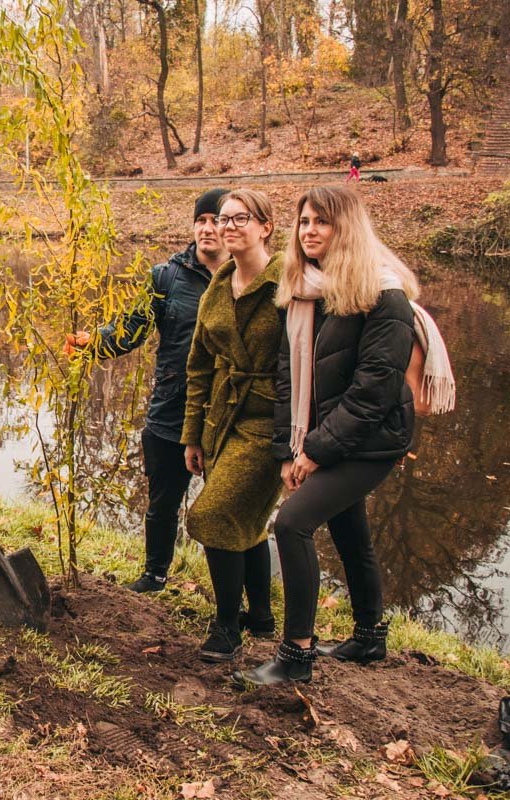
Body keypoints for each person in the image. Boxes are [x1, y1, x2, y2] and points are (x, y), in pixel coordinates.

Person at [233, 186, 452, 686]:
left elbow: (374, 392)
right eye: (304, 221)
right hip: (324, 432)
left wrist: (314, 451)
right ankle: (371, 636)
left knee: (292, 523)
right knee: (348, 528)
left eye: (322, 223)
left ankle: (296, 655)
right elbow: (287, 378)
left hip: (373, 437)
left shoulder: (383, 295)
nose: (309, 231)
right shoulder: (303, 287)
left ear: (345, 228)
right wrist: (288, 448)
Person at [63, 188, 230, 594]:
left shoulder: (249, 278)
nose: (207, 229)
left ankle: (232, 591)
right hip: (171, 407)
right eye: (201, 220)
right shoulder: (166, 276)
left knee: (225, 508)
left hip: (225, 413)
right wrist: (93, 343)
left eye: (216, 220)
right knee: (162, 503)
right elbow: (131, 329)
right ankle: (155, 574)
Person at [180, 188, 284, 663]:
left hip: (270, 422)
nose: (229, 226)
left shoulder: (291, 285)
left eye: (241, 218)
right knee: (248, 520)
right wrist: (192, 434)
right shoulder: (218, 288)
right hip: (223, 419)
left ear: (265, 226)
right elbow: (199, 366)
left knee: (212, 515)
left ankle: (226, 627)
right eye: (223, 219)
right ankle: (260, 615)